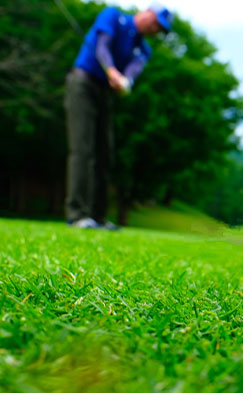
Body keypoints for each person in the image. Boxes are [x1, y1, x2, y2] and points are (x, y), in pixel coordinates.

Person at [64, 4, 174, 230]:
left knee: (105, 154)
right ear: (146, 12)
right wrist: (111, 70)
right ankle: (77, 215)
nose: (155, 29)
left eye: (160, 29)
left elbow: (133, 71)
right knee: (82, 150)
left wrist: (125, 83)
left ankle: (98, 217)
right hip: (82, 83)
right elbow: (102, 45)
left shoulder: (144, 50)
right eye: (155, 23)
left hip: (104, 93)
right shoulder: (113, 16)